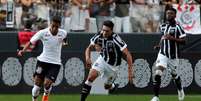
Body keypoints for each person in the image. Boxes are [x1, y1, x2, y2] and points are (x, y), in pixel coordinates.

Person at [80, 20, 133, 101]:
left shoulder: (116, 39)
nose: (104, 33)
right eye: (103, 30)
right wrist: (87, 58)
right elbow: (89, 48)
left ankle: (112, 86)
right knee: (90, 78)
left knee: (106, 87)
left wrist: (130, 72)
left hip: (113, 67)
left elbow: (128, 54)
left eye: (107, 31)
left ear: (111, 31)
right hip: (102, 60)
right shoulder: (99, 35)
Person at [17, 16, 68, 101]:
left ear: (59, 26)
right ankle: (34, 99)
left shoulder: (63, 33)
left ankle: (45, 95)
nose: (55, 28)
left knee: (47, 84)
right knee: (37, 85)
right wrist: (22, 51)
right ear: (51, 24)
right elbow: (30, 42)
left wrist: (65, 43)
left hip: (55, 63)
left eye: (57, 26)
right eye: (53, 26)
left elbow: (65, 39)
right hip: (42, 61)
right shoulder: (42, 32)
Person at [151, 7, 186, 101]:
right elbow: (163, 37)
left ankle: (180, 89)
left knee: (174, 75)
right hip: (162, 54)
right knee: (157, 73)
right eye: (167, 13)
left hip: (173, 56)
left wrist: (172, 38)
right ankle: (156, 97)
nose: (168, 15)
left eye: (171, 13)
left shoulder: (178, 27)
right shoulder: (163, 26)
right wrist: (159, 45)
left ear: (175, 15)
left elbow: (184, 41)